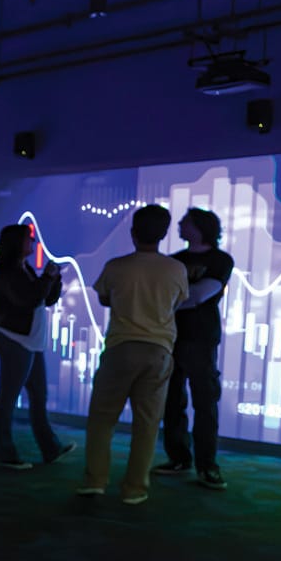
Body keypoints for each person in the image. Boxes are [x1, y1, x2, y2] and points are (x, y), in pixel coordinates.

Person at [78, 204, 188, 505]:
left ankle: (95, 481)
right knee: (147, 423)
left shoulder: (116, 266)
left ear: (132, 232)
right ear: (164, 234)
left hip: (120, 348)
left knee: (102, 419)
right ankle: (135, 488)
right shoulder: (176, 269)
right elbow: (177, 303)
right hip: (159, 351)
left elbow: (104, 298)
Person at [155, 208, 234, 491]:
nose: (180, 225)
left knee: (204, 402)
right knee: (171, 401)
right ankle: (178, 458)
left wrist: (169, 303)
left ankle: (207, 465)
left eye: (185, 222)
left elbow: (202, 294)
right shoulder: (174, 260)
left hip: (201, 339)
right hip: (171, 337)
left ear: (201, 227)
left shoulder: (220, 260)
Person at [0, 223, 76, 469]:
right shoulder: (7, 272)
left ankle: (51, 449)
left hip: (30, 343)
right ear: (17, 243)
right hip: (15, 341)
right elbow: (29, 299)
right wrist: (47, 277)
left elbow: (44, 299)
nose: (33, 244)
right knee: (8, 399)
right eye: (28, 239)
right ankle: (5, 455)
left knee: (38, 397)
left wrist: (53, 280)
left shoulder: (22, 268)